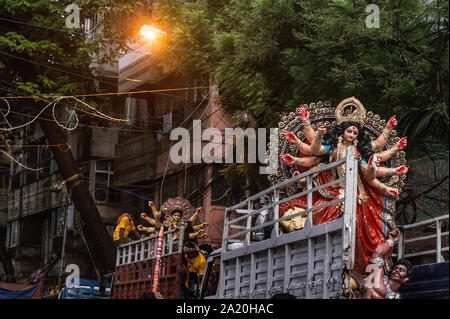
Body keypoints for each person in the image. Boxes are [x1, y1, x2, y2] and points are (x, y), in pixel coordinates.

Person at [279, 97, 409, 275]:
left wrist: (390, 169)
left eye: (356, 132)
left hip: (359, 198)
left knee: (362, 231)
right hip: (333, 194)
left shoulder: (358, 152)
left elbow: (372, 171)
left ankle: (360, 271)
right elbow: (314, 151)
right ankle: (331, 263)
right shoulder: (332, 148)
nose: (353, 135)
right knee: (329, 224)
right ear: (342, 132)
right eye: (349, 131)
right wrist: (309, 127)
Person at [363, 227, 412, 299]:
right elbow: (377, 254)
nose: (397, 270)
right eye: (396, 268)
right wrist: (391, 241)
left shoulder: (397, 298)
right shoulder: (378, 279)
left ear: (405, 279)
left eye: (401, 270)